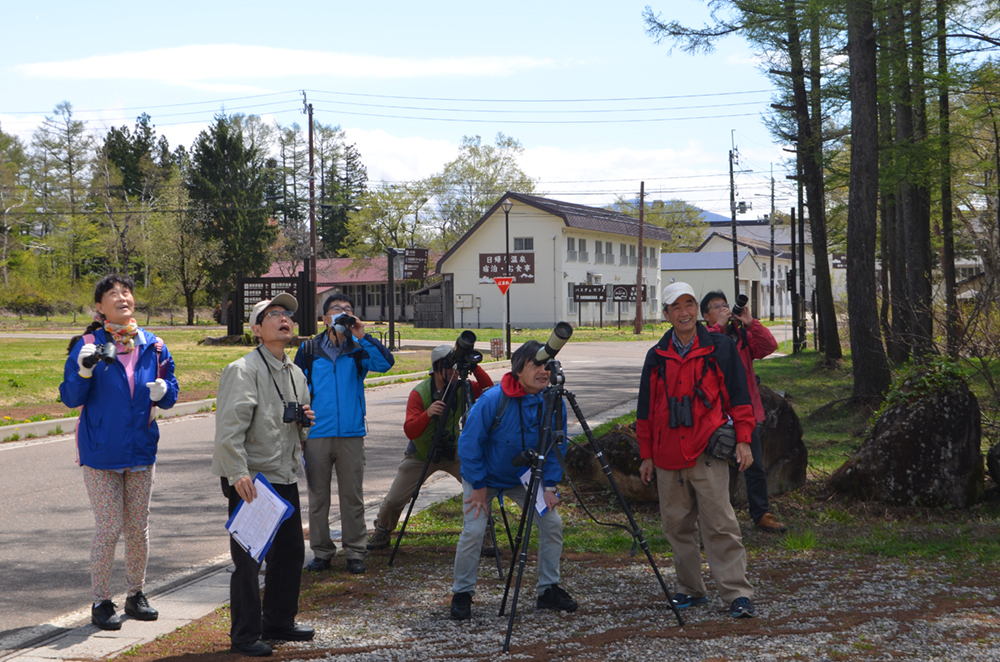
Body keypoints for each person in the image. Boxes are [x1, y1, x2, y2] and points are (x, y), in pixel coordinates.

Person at [60, 274, 178, 631]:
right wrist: (83, 370)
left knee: (138, 528)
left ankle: (136, 593)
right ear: (99, 306)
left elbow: (171, 392)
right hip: (100, 452)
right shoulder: (88, 344)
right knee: (109, 527)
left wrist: (164, 390)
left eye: (126, 292)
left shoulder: (153, 346)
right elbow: (70, 398)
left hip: (141, 450)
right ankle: (100, 599)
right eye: (113, 294)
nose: (122, 297)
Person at [636, 282, 759, 619]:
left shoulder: (719, 347)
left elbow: (739, 395)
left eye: (690, 304)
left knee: (720, 524)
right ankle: (690, 590)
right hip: (666, 456)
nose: (685, 312)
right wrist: (646, 455)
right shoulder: (656, 356)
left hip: (706, 452)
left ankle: (737, 593)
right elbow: (645, 411)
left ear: (697, 310)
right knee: (676, 527)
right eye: (676, 307)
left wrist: (744, 439)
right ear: (666, 314)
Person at [213, 293, 316, 657]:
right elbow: (228, 430)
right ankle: (244, 635)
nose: (284, 318)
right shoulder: (243, 370)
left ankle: (279, 621)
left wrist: (305, 422)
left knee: (289, 554)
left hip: (284, 474)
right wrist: (237, 472)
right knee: (248, 561)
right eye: (273, 314)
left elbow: (297, 429)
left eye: (288, 313)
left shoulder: (297, 373)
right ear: (257, 330)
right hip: (253, 481)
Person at [449, 341, 577, 621]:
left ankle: (548, 589)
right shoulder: (494, 399)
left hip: (526, 477)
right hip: (484, 477)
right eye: (536, 364)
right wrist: (479, 487)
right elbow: (469, 445)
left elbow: (556, 447)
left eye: (547, 365)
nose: (543, 371)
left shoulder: (551, 401)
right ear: (519, 369)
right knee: (474, 530)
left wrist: (551, 485)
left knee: (552, 523)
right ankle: (462, 593)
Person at [294, 293, 394, 575]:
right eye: (336, 309)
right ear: (325, 318)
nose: (342, 313)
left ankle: (355, 552)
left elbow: (385, 364)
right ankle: (322, 552)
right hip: (317, 435)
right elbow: (296, 386)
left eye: (347, 310)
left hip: (351, 433)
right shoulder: (310, 349)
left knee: (353, 497)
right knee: (318, 497)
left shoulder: (358, 348)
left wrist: (362, 336)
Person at [366, 344, 495, 551]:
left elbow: (488, 389)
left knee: (479, 491)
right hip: (421, 454)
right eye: (450, 366)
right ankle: (382, 531)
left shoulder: (462, 386)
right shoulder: (419, 393)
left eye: (456, 367)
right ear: (437, 368)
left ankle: (486, 533)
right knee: (393, 501)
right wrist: (427, 414)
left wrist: (473, 366)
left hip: (455, 453)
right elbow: (410, 431)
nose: (454, 372)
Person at [701, 290, 786, 533]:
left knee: (755, 467)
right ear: (706, 316)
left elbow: (769, 346)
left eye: (725, 305)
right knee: (711, 471)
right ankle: (713, 518)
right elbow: (705, 351)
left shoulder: (741, 337)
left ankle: (761, 514)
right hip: (714, 415)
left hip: (745, 413)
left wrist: (751, 323)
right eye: (716, 306)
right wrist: (718, 327)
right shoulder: (704, 336)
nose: (723, 309)